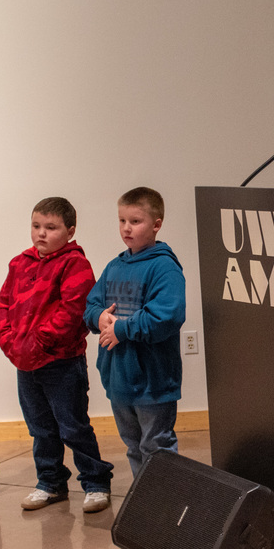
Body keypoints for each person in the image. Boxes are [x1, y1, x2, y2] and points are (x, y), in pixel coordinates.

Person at [0, 197, 114, 513]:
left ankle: (96, 482)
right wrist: (9, 342)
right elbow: (3, 306)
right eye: (36, 226)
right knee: (40, 427)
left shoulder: (75, 264)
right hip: (25, 363)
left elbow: (73, 311)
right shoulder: (19, 263)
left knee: (72, 425)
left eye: (51, 227)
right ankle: (50, 483)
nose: (41, 234)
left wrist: (37, 343)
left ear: (70, 231)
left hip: (61, 362)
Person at [84, 187, 186, 478]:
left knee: (157, 446)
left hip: (153, 380)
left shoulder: (164, 267)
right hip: (119, 378)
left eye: (135, 221)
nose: (126, 228)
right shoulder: (114, 266)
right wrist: (99, 317)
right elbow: (91, 305)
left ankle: (165, 505)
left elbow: (167, 316)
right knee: (132, 445)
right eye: (121, 221)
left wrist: (123, 329)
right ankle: (145, 502)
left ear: (156, 224)